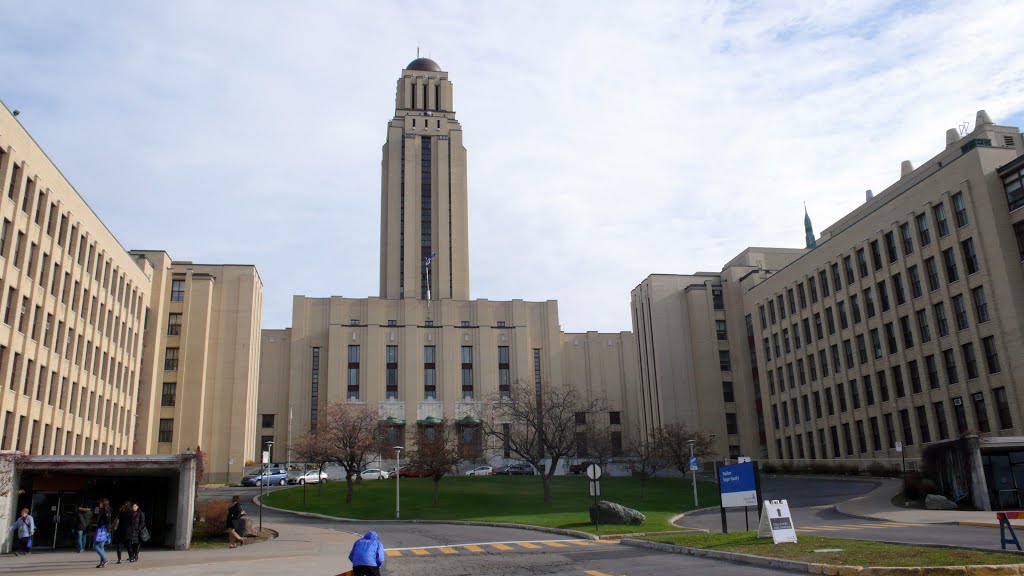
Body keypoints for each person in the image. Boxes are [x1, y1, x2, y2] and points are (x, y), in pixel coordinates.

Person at [93, 498, 111, 568]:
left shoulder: (105, 510)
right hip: (104, 529)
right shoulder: (107, 509)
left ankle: (105, 559)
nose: (99, 504)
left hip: (102, 530)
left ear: (103, 504)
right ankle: (102, 562)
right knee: (101, 546)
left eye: (100, 503)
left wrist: (102, 525)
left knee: (95, 546)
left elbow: (107, 520)